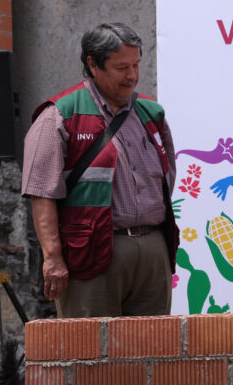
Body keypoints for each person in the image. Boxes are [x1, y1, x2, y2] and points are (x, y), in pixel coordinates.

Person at [21, 22, 179, 317]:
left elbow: (167, 174)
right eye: (121, 68)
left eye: (136, 65)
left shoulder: (151, 112)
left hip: (153, 249)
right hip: (91, 253)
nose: (132, 76)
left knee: (154, 353)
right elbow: (41, 194)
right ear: (93, 65)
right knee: (92, 353)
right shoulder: (60, 116)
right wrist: (53, 258)